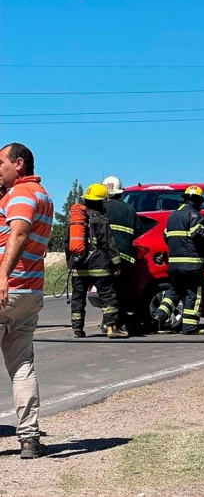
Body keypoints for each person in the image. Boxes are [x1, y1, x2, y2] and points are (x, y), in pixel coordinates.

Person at [0, 142, 54, 459]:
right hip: (30, 292)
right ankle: (30, 439)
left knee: (22, 366)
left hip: (8, 288)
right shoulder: (43, 195)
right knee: (22, 366)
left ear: (19, 164)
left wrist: (2, 276)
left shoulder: (22, 195)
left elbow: (19, 233)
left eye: (0, 162)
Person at [152, 185, 204, 335]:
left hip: (175, 265)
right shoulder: (195, 215)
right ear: (199, 201)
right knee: (194, 295)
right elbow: (200, 235)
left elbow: (166, 236)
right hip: (192, 266)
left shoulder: (172, 216)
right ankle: (190, 327)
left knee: (173, 292)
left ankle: (159, 317)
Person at [66, 183, 126, 338]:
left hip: (78, 265)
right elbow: (109, 243)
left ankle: (77, 329)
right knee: (107, 295)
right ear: (101, 201)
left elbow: (67, 243)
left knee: (78, 297)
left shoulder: (75, 221)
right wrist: (117, 263)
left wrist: (71, 262)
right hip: (99, 265)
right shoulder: (100, 219)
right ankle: (112, 327)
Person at [102, 176, 141, 333]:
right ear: (120, 192)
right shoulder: (129, 209)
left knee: (107, 292)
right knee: (121, 292)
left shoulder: (100, 208)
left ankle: (108, 323)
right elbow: (138, 231)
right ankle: (120, 324)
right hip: (125, 257)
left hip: (104, 257)